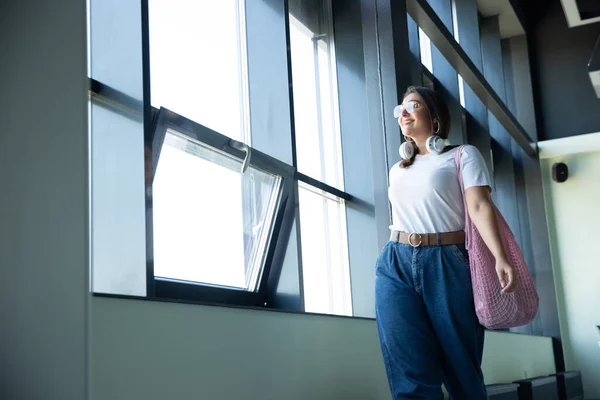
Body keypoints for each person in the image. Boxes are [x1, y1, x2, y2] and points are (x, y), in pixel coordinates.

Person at [375, 86, 517, 399]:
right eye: (401, 109)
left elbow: (480, 207)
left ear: (435, 117)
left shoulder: (462, 155)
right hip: (395, 262)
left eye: (413, 105)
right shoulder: (397, 169)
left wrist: (500, 257)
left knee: (460, 366)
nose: (404, 113)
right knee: (408, 369)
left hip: (446, 261)